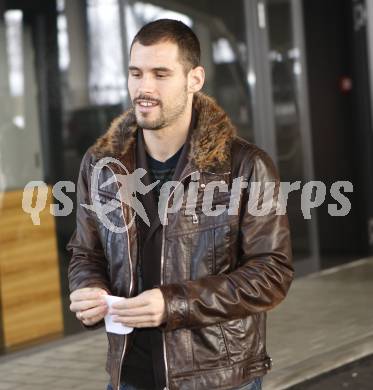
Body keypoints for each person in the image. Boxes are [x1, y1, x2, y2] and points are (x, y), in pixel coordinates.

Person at [67, 19, 294, 390]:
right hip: (130, 376)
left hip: (219, 378)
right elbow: (85, 252)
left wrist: (174, 304)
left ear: (195, 79)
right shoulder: (100, 164)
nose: (144, 88)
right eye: (136, 73)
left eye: (161, 74)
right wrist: (89, 287)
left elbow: (272, 274)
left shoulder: (246, 166)